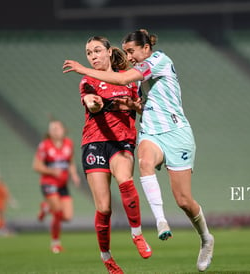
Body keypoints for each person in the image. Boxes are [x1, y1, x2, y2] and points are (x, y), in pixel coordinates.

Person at [63, 29, 214, 272]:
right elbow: (99, 102)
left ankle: (206, 238)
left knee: (184, 200)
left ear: (145, 49)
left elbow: (123, 81)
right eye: (88, 53)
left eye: (132, 51)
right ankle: (156, 225)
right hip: (129, 137)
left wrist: (82, 68)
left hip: (175, 133)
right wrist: (107, 104)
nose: (129, 56)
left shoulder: (153, 63)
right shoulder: (99, 80)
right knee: (124, 185)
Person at [69, 36, 152, 274]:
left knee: (125, 180)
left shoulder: (129, 80)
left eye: (96, 51)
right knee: (104, 208)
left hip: (122, 142)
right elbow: (91, 103)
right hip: (94, 144)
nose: (93, 56)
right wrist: (93, 102)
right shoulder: (87, 81)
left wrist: (136, 107)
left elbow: (142, 107)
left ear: (108, 52)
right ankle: (107, 257)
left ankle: (137, 234)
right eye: (88, 53)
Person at [33, 120, 81, 253]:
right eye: (52, 128)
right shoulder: (45, 146)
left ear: (63, 129)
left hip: (63, 184)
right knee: (58, 212)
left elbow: (70, 162)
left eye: (57, 127)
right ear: (49, 132)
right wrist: (52, 171)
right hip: (49, 183)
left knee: (67, 216)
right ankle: (55, 243)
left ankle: (46, 207)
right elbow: (37, 166)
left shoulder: (68, 144)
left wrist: (74, 175)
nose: (55, 130)